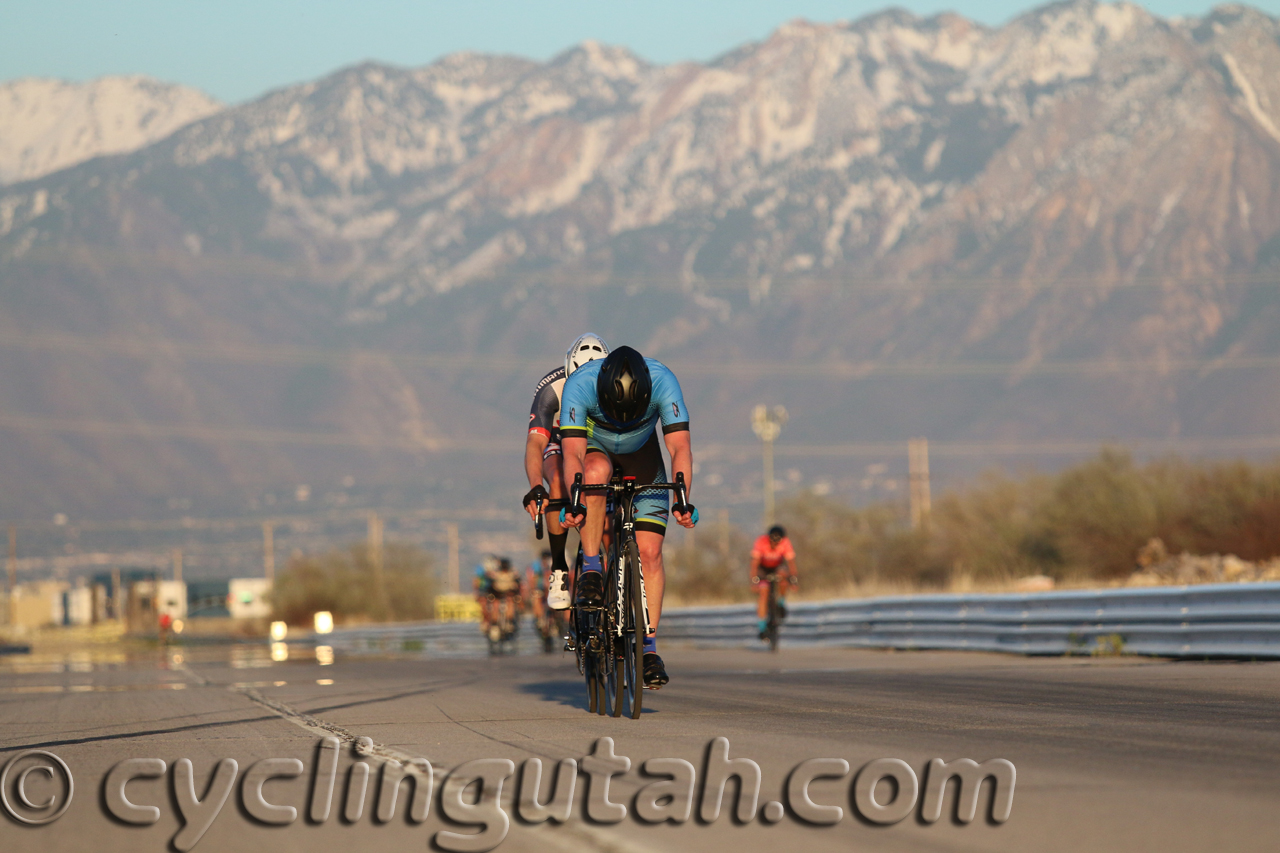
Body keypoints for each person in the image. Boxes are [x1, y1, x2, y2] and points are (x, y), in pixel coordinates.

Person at [559, 345, 696, 689]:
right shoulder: (580, 384)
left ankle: (648, 647)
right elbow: (572, 452)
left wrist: (683, 499)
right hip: (596, 448)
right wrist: (575, 499)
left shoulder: (664, 380)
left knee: (650, 552)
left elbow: (679, 448)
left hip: (643, 455)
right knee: (593, 473)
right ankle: (591, 567)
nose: (620, 419)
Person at [522, 333, 610, 610]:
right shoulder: (552, 388)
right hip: (558, 443)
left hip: (598, 443)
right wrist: (537, 485)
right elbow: (536, 442)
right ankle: (560, 569)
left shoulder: (614, 382)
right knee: (559, 478)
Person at [751, 525, 799, 638]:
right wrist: (754, 580)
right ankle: (762, 627)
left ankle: (781, 602)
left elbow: (791, 563)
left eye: (778, 542)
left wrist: (793, 580)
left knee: (783, 575)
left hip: (778, 567)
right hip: (763, 569)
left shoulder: (786, 543)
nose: (775, 544)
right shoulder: (761, 542)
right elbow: (754, 563)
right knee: (763, 594)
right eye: (773, 541)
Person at [473, 556, 523, 639]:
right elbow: (488, 583)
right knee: (495, 605)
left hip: (508, 595)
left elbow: (518, 583)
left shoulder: (512, 573)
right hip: (497, 595)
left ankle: (509, 622)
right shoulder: (495, 574)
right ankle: (494, 624)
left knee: (509, 602)